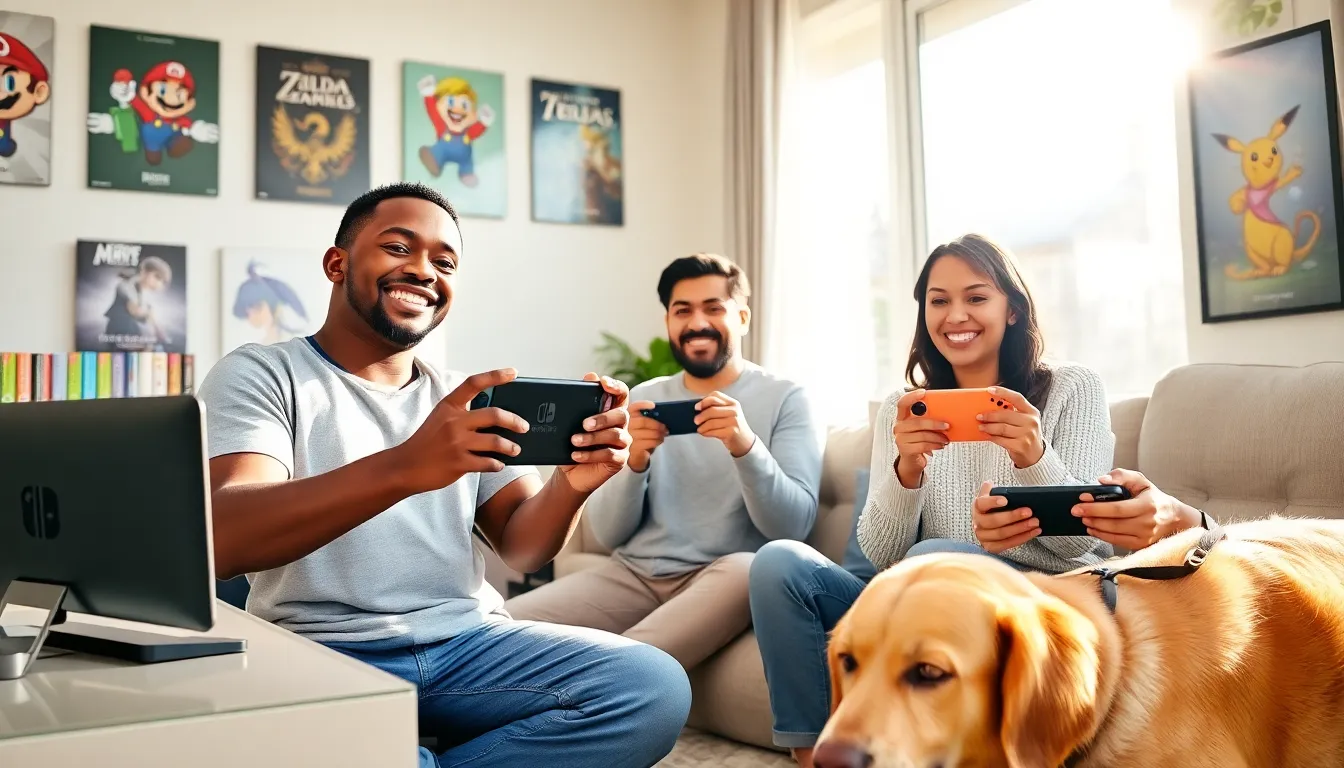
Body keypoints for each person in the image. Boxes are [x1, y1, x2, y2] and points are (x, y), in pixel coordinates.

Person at [196, 182, 691, 768]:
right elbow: (225, 536)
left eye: (445, 261)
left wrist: (572, 485)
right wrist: (407, 467)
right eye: (399, 247)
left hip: (467, 644)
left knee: (651, 687)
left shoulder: (461, 398)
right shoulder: (262, 374)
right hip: (320, 649)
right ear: (337, 263)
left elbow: (524, 545)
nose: (425, 270)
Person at [749, 233, 1119, 766]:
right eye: (938, 301)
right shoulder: (903, 408)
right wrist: (907, 471)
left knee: (933, 558)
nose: (955, 315)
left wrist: (1033, 454)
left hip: (1028, 602)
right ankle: (813, 756)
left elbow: (1083, 542)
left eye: (976, 297)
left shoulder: (1071, 388)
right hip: (911, 604)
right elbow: (880, 555)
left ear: (1012, 309)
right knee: (778, 562)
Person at [506, 253, 822, 671]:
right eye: (682, 311)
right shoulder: (642, 396)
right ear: (669, 323)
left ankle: (610, 680)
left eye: (714, 308)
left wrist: (744, 445)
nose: (696, 323)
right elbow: (609, 533)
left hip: (723, 576)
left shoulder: (786, 397)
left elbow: (792, 527)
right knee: (498, 628)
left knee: (752, 569)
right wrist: (634, 462)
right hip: (634, 574)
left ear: (742, 317)